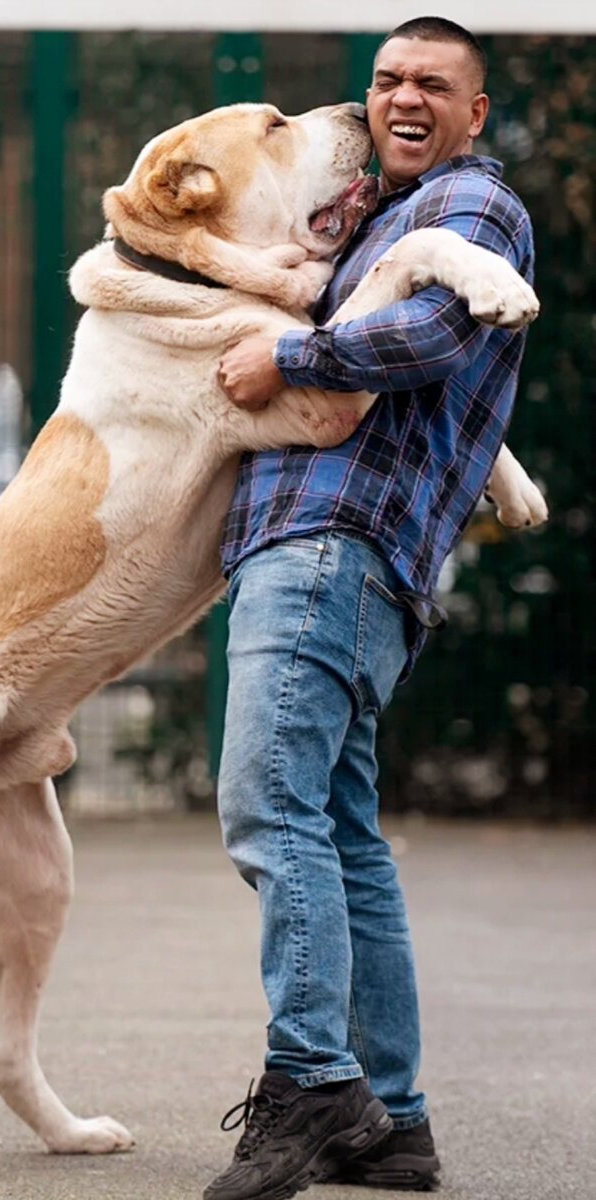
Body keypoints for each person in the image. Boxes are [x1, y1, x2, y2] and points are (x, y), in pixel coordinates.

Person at [205, 17, 534, 1200]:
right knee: (338, 837)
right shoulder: (378, 217)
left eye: (432, 84)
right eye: (387, 78)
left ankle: (310, 1081)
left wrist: (283, 365)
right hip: (341, 564)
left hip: (328, 547)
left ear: (472, 111)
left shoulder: (471, 209)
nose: (403, 98)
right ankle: (389, 1121)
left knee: (265, 806)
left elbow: (434, 331)